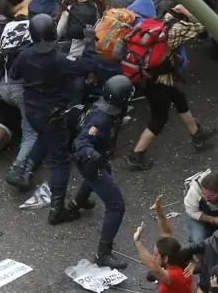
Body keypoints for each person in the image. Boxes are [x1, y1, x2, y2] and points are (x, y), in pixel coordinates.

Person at [9, 14, 97, 225]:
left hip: (32, 110)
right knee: (60, 160)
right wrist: (90, 40)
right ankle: (57, 209)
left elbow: (14, 75)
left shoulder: (24, 55)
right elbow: (87, 65)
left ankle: (25, 168)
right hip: (52, 113)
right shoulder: (58, 58)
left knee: (43, 137)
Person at [68, 75, 134, 269]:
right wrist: (92, 154)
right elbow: (81, 142)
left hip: (98, 159)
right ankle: (103, 254)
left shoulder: (107, 107)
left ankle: (75, 205)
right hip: (89, 161)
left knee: (101, 173)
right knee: (116, 205)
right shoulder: (101, 118)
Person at [184, 171, 218, 243]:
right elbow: (192, 211)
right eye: (204, 194)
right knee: (198, 241)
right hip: (203, 218)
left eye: (211, 196)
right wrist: (213, 220)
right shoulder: (194, 191)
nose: (206, 199)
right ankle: (197, 252)